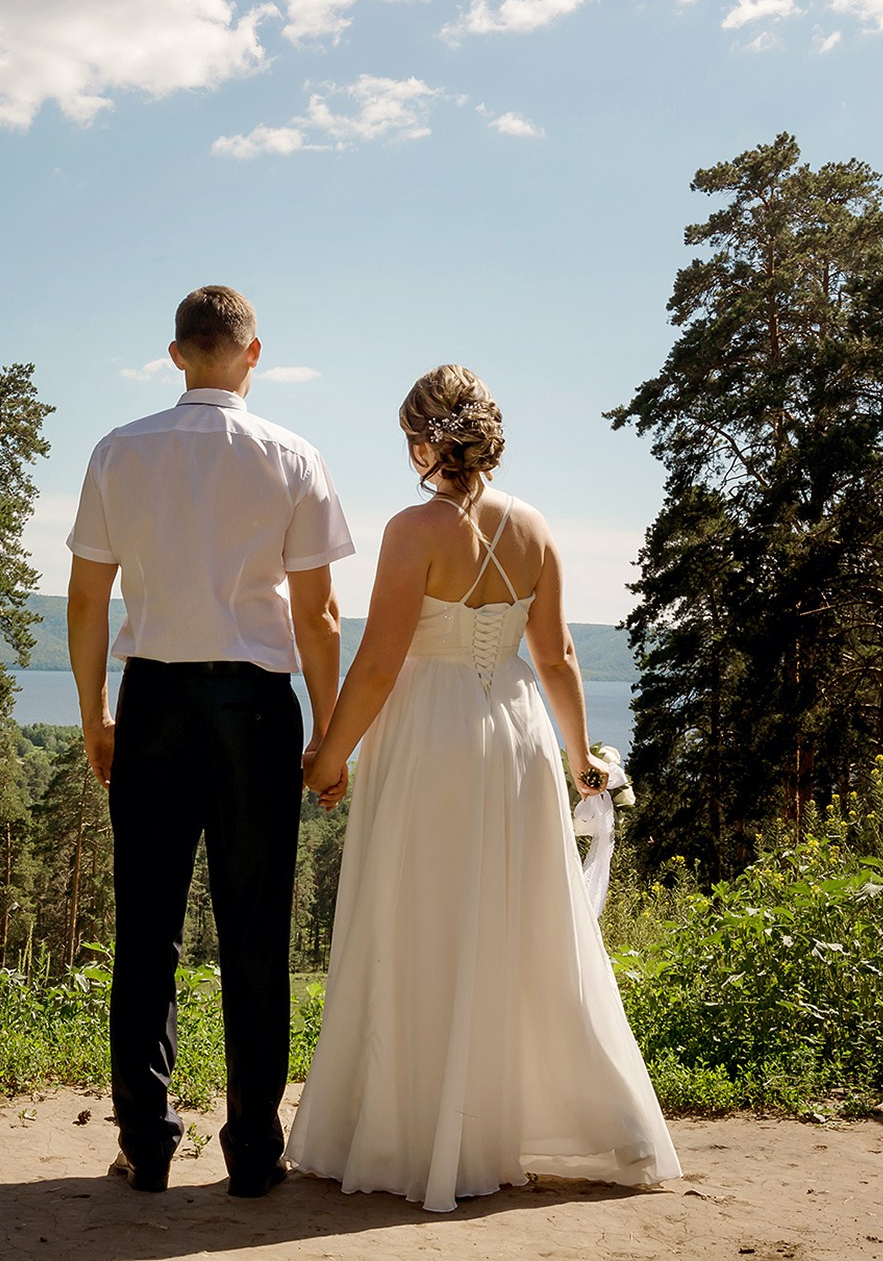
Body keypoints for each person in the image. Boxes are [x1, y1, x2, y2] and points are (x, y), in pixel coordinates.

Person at [288, 364, 680, 1212]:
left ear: (427, 441)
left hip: (430, 740)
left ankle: (411, 1132)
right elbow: (559, 659)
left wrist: (328, 755)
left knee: (417, 917)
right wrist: (583, 758)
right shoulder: (535, 526)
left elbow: (383, 660)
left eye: (410, 437)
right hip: (515, 736)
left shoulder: (411, 529)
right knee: (508, 928)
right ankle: (489, 1127)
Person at [66, 285, 353, 1198]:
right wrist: (329, 732)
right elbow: (320, 613)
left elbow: (85, 599)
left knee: (146, 929)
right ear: (252, 352)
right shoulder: (294, 455)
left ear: (177, 353)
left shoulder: (120, 449)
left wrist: (95, 713)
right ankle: (254, 1154)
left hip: (152, 700)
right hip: (256, 709)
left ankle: (145, 1144)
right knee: (256, 932)